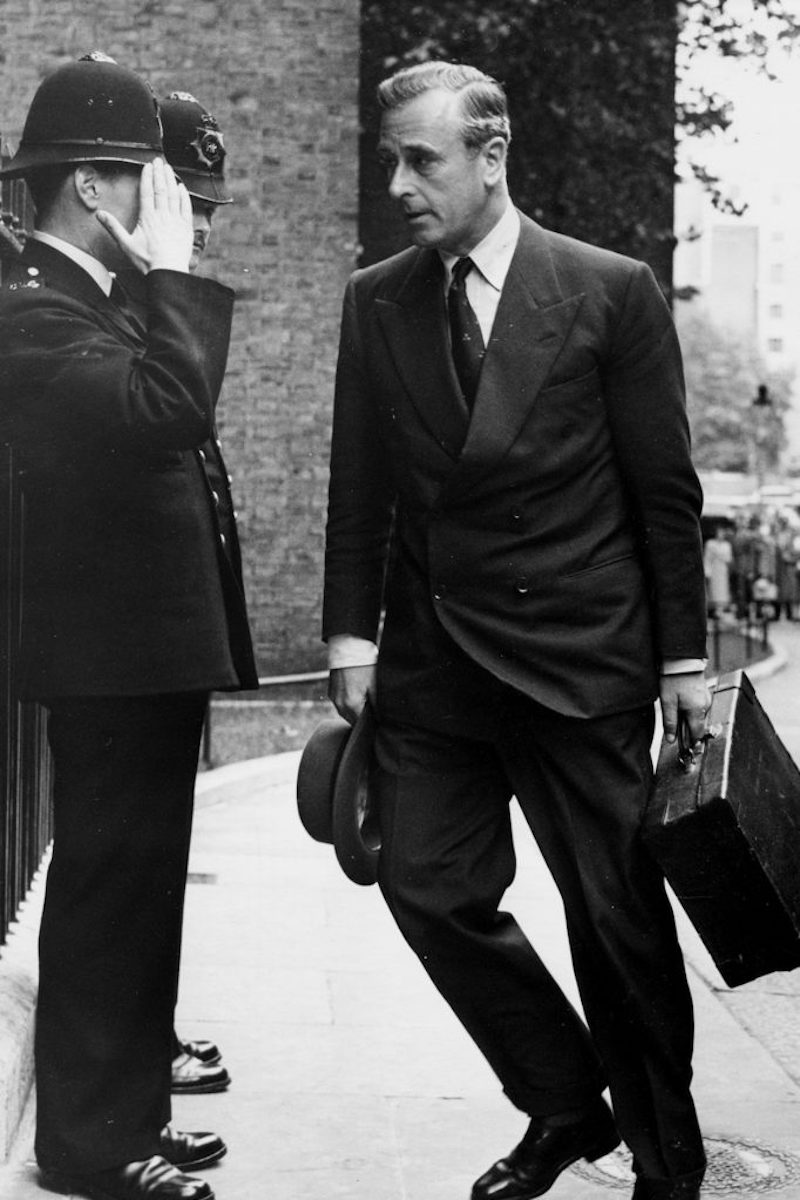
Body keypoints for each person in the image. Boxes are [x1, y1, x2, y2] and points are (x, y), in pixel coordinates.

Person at [323, 61, 710, 1200]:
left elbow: (663, 493)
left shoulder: (605, 289)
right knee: (425, 888)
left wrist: (682, 658)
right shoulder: (376, 296)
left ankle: (663, 1153)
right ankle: (561, 1104)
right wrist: (352, 638)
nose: (398, 182)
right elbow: (361, 489)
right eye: (389, 158)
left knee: (614, 923)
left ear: (490, 158)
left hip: (576, 657)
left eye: (421, 159)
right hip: (436, 661)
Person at [0, 54, 257, 1200]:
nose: (167, 211)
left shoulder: (86, 303)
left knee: (137, 889)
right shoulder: (32, 312)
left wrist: (153, 282)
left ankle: (127, 1115)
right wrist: (171, 271)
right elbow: (167, 411)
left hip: (138, 655)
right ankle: (93, 1144)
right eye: (147, 182)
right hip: (105, 658)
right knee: (110, 893)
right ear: (96, 189)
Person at [117, 89, 239, 1100]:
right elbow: (168, 418)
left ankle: (145, 1028)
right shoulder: (123, 301)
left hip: (156, 636)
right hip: (116, 638)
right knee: (121, 863)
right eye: (182, 199)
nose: (197, 226)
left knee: (149, 859)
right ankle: (132, 1038)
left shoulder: (145, 297)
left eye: (206, 207)